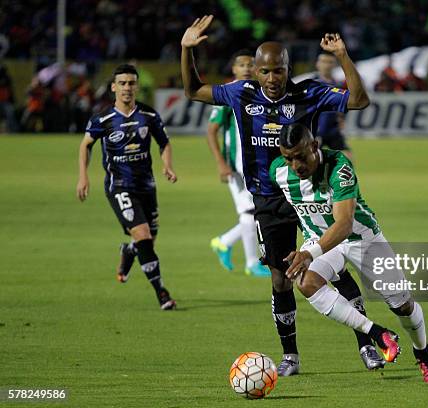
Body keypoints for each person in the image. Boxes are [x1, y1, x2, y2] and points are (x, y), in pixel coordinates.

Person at [181, 15, 380, 375]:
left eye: (279, 71)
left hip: (310, 192)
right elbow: (194, 90)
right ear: (255, 72)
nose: (273, 79)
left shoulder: (310, 92)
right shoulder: (240, 94)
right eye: (266, 72)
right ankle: (291, 356)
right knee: (279, 278)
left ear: (288, 69)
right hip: (270, 200)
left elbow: (360, 100)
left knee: (334, 270)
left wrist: (343, 57)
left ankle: (367, 345)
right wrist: (186, 50)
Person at [272, 123, 428, 384]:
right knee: (305, 281)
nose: (295, 165)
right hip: (319, 241)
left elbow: (344, 225)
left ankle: (424, 354)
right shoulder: (279, 171)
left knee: (402, 306)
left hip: (363, 240)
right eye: (289, 158)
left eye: (300, 156)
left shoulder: (339, 165)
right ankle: (376, 333)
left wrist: (309, 254)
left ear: (315, 147)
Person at [76, 64, 177, 311]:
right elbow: (85, 145)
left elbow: (164, 143)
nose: (127, 88)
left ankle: (129, 251)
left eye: (131, 83)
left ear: (137, 87)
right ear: (113, 87)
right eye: (122, 83)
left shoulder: (149, 115)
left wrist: (167, 166)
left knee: (147, 241)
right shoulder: (103, 118)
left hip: (147, 186)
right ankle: (162, 293)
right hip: (119, 186)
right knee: (143, 235)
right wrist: (83, 176)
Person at [207, 50, 270, 277]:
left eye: (250, 64)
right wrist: (221, 163)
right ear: (233, 69)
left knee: (262, 209)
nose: (246, 68)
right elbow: (211, 130)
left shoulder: (259, 93)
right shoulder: (227, 94)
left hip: (258, 164)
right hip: (236, 166)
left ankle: (224, 242)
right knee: (250, 211)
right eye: (241, 64)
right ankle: (252, 263)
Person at [312, 51, 352, 158]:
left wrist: (342, 118)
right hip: (316, 131)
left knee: (347, 157)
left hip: (333, 131)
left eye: (330, 62)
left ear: (334, 65)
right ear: (317, 64)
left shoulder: (339, 85)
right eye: (324, 61)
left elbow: (345, 106)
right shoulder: (311, 85)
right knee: (312, 161)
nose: (326, 65)